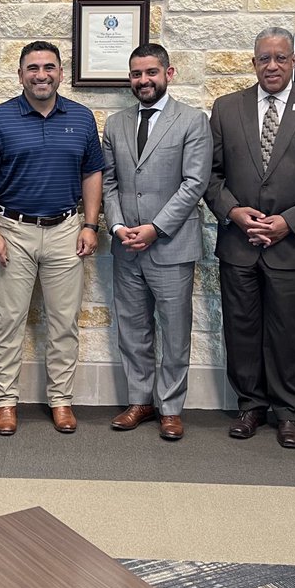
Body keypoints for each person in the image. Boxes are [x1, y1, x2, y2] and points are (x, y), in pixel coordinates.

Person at [205, 27, 295, 449]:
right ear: (253, 63)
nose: (272, 66)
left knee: (287, 332)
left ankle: (288, 412)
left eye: (280, 58)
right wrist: (232, 211)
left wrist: (289, 221)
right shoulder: (227, 108)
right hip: (239, 244)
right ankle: (250, 406)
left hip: (294, 245)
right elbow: (210, 176)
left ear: (293, 61)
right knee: (241, 329)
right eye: (264, 58)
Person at [0, 41, 105, 436]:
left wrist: (90, 224)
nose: (41, 74)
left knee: (63, 323)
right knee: (8, 320)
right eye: (32, 68)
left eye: (49, 67)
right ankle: (5, 402)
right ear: (20, 74)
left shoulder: (80, 118)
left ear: (61, 73)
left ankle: (61, 401)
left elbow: (92, 173)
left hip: (66, 230)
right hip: (11, 231)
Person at [102, 43, 210, 441]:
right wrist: (116, 228)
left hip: (171, 245)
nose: (143, 80)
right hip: (126, 245)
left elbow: (194, 183)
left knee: (175, 331)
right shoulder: (115, 124)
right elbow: (108, 183)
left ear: (169, 73)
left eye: (151, 73)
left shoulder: (192, 121)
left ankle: (171, 407)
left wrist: (155, 228)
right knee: (132, 329)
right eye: (136, 74)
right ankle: (140, 401)